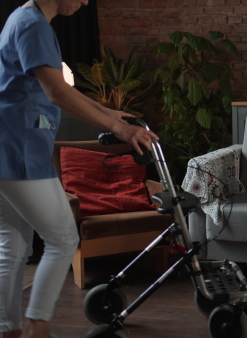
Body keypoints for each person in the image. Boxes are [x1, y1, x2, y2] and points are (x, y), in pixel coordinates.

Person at [0, 1, 158, 337]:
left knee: (12, 247)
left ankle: (10, 329)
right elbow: (55, 92)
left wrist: (106, 112)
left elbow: (60, 87)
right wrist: (122, 130)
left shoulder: (24, 19)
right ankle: (36, 326)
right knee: (63, 238)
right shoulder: (33, 25)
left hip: (10, 149)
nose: (86, 1)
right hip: (19, 151)